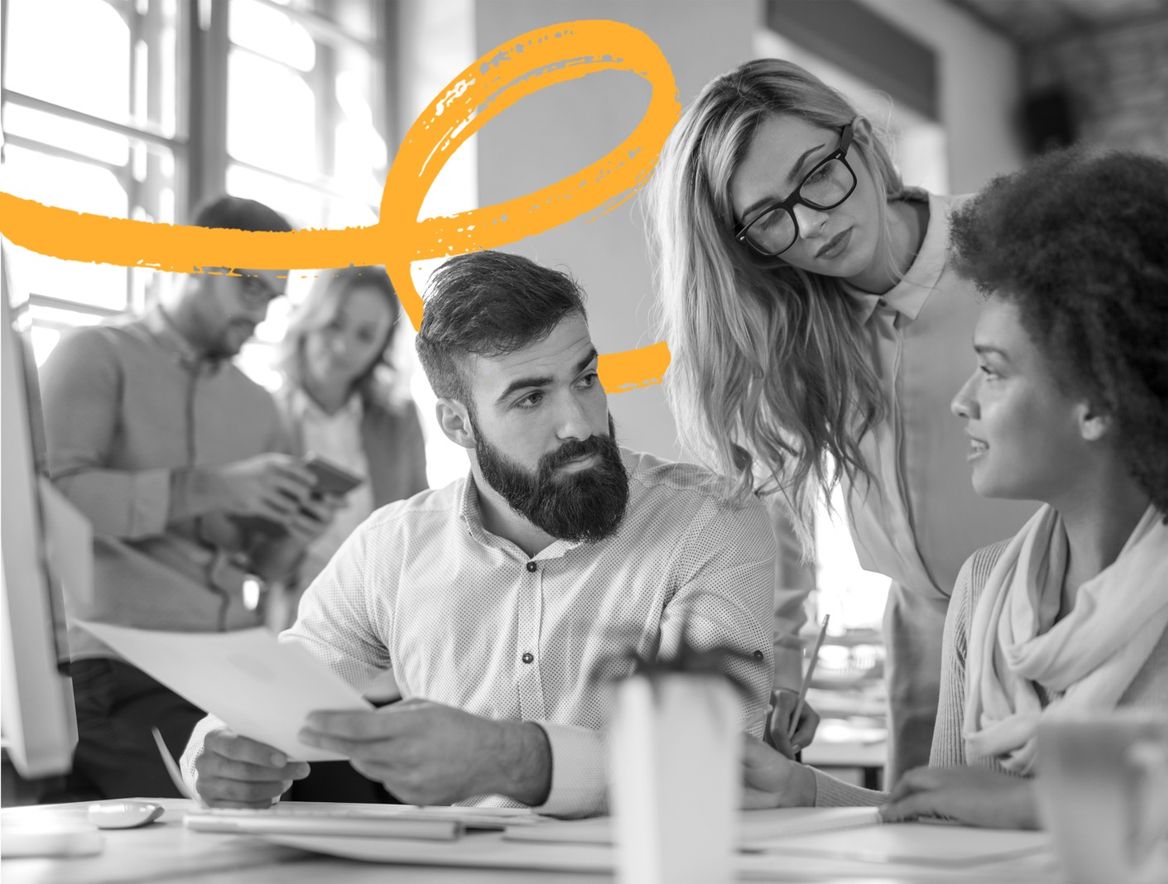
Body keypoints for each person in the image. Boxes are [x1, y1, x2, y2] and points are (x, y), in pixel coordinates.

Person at [740, 150, 1168, 842]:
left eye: (992, 372)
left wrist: (1052, 804)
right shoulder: (983, 589)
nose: (962, 403)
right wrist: (805, 788)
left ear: (1098, 402)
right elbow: (950, 812)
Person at [179, 250, 776, 816]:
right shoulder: (392, 549)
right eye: (531, 398)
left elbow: (720, 769)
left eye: (586, 378)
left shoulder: (711, 522)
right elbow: (277, 688)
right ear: (458, 423)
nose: (579, 423)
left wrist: (512, 760)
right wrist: (218, 751)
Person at [648, 58, 1032, 773]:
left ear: (857, 140)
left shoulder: (1021, 246)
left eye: (818, 172)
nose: (812, 223)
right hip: (925, 653)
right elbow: (776, 522)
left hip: (1063, 622)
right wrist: (776, 682)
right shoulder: (789, 329)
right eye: (768, 217)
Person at [40, 196, 338, 798]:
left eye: (274, 297)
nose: (263, 315)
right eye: (253, 290)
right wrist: (214, 486)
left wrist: (294, 531)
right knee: (248, 817)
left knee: (356, 790)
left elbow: (267, 567)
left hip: (235, 666)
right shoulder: (94, 356)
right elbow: (55, 501)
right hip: (122, 663)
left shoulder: (260, 407)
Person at [273, 265, 428, 609]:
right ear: (311, 319)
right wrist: (297, 537)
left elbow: (423, 526)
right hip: (295, 613)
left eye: (365, 335)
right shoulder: (265, 416)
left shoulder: (398, 421)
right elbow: (260, 566)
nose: (342, 347)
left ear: (380, 348)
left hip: (385, 611)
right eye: (334, 324)